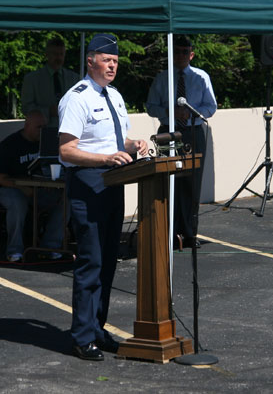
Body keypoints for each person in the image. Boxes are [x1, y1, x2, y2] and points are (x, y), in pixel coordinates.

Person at [58, 33, 148, 361]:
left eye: (116, 62)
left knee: (108, 262)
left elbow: (113, 142)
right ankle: (81, 337)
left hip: (114, 182)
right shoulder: (77, 97)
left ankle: (97, 328)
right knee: (91, 262)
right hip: (88, 185)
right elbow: (67, 151)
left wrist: (132, 145)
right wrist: (106, 159)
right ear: (90, 60)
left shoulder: (115, 97)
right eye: (107, 61)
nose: (112, 66)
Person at [145, 36, 217, 249]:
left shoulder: (201, 77)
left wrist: (191, 114)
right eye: (176, 52)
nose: (180, 56)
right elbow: (150, 106)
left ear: (191, 54)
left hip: (193, 133)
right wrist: (170, 112)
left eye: (185, 52)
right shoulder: (162, 78)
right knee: (168, 183)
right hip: (168, 133)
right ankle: (168, 232)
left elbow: (210, 107)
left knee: (191, 185)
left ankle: (189, 234)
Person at [0, 110, 65, 262]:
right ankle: (14, 251)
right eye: (38, 127)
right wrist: (20, 187)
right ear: (27, 126)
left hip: (38, 187)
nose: (42, 131)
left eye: (44, 127)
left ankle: (50, 246)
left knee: (66, 199)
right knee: (17, 203)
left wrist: (50, 182)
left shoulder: (46, 143)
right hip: (11, 188)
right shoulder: (9, 144)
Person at [21, 38, 79, 127]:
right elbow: (26, 108)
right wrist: (48, 111)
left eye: (61, 54)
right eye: (55, 54)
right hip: (42, 131)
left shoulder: (75, 79)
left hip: (70, 129)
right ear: (46, 55)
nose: (59, 58)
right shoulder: (32, 79)